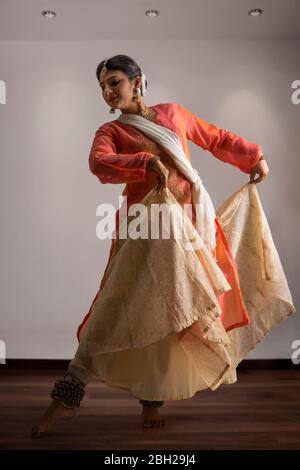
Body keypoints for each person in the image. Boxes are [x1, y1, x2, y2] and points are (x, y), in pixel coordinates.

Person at [31, 54, 273, 438]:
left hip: (190, 227)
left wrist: (253, 157)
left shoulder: (174, 114)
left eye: (114, 82)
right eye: (103, 87)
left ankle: (151, 401)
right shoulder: (111, 131)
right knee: (119, 307)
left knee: (174, 309)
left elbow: (217, 138)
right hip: (146, 228)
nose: (108, 92)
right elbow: (99, 163)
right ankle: (66, 399)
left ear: (138, 81)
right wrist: (145, 163)